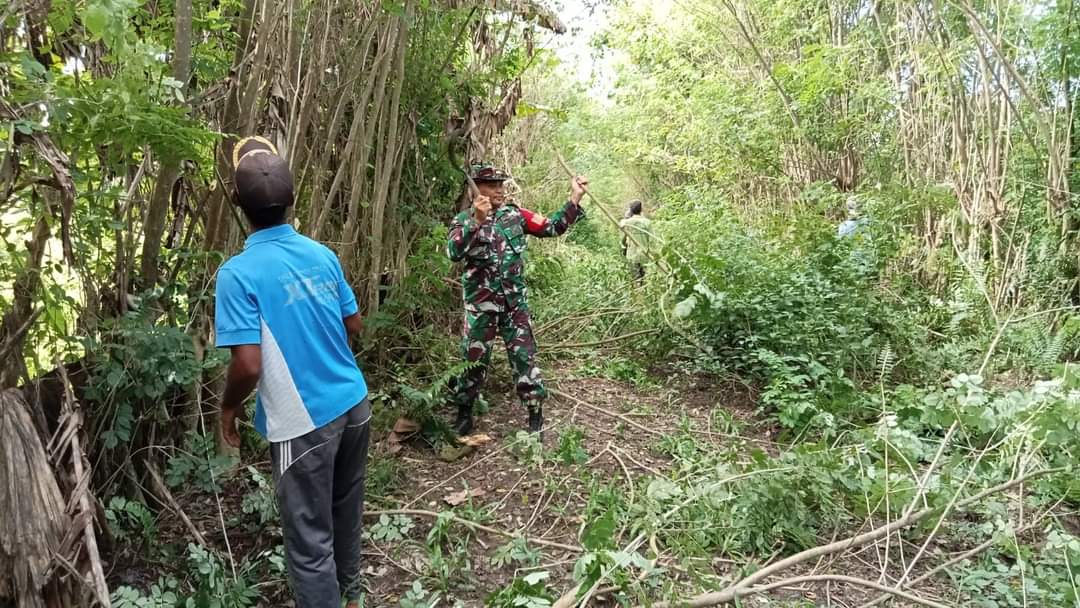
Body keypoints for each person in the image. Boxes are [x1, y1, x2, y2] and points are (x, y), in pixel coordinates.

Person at [215, 136, 371, 608]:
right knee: (345, 516)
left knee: (308, 544)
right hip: (354, 405)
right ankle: (352, 597)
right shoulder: (321, 255)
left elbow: (247, 364)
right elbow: (354, 324)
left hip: (303, 424)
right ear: (294, 199)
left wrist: (228, 410)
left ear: (235, 202)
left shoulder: (238, 274)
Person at [446, 164, 588, 436]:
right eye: (491, 185)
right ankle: (464, 414)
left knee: (525, 360)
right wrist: (476, 220)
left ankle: (535, 417)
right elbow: (453, 252)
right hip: (481, 308)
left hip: (514, 308)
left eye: (501, 184)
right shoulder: (463, 220)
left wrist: (574, 198)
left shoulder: (516, 216)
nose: (499, 189)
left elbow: (553, 227)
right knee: (473, 362)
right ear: (474, 188)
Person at [619, 199, 653, 282]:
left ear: (630, 210)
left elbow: (622, 240)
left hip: (632, 255)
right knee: (644, 277)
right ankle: (644, 290)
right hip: (645, 254)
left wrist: (624, 246)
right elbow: (651, 240)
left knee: (635, 277)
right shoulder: (647, 222)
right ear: (641, 209)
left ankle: (638, 292)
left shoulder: (626, 223)